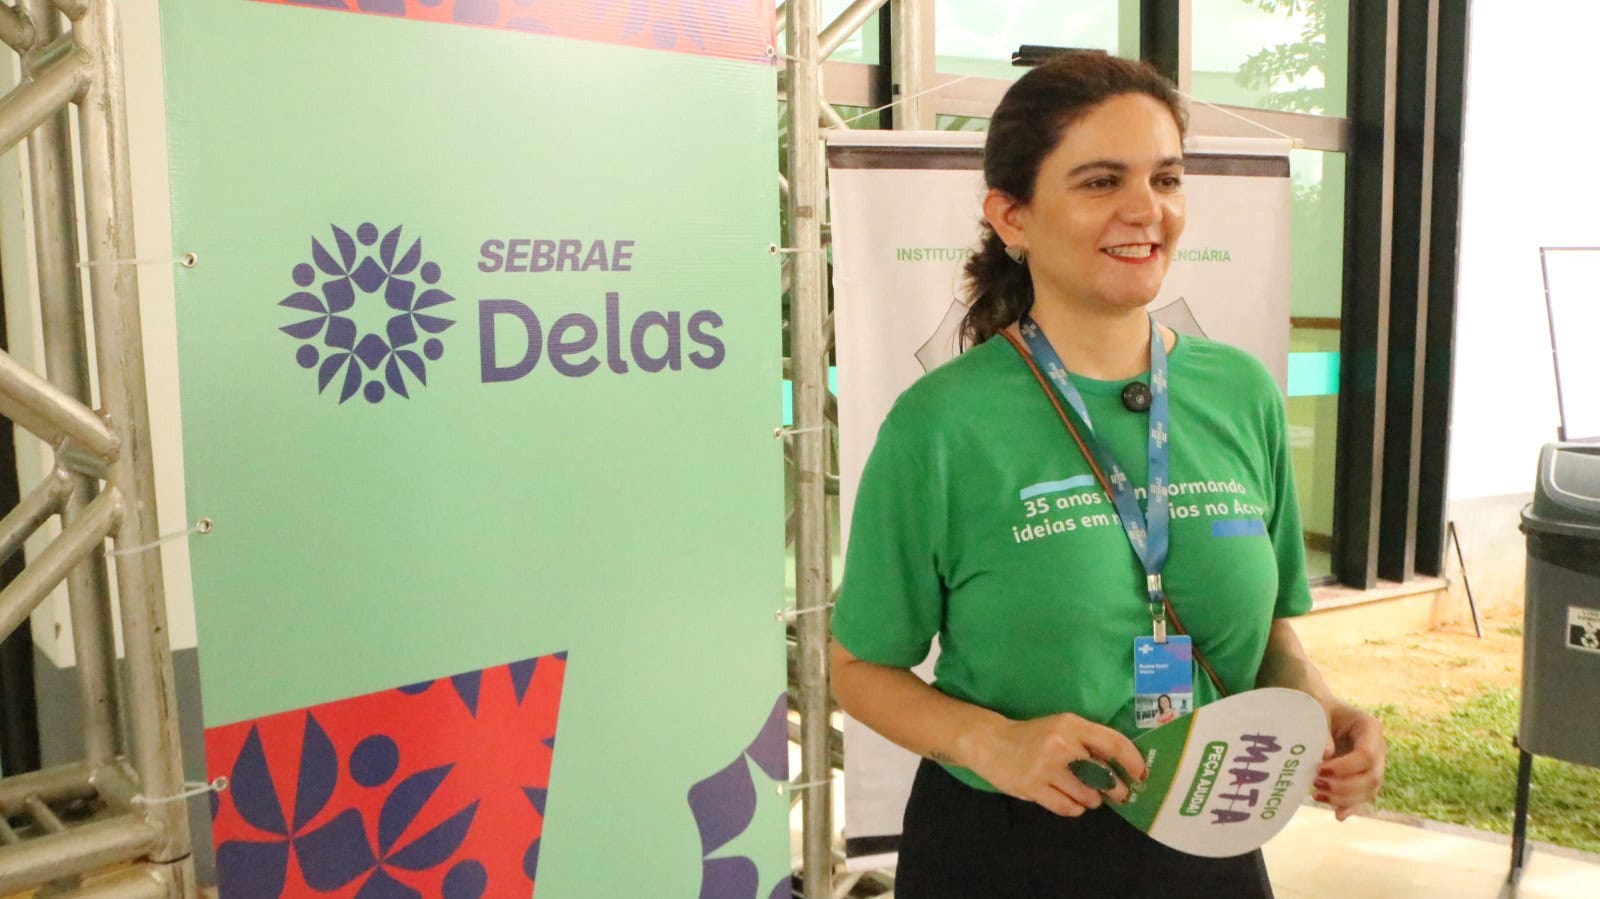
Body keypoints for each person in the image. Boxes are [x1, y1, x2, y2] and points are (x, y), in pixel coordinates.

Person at [828, 51, 1385, 898]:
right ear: (1012, 216)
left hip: (1211, 837)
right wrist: (992, 742)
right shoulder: (941, 423)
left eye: (1167, 178)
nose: (1146, 209)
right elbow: (860, 667)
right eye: (1100, 181)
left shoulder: (1240, 393)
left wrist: (1319, 709)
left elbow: (1271, 632)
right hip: (1005, 850)